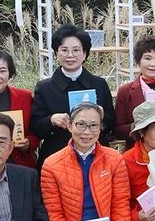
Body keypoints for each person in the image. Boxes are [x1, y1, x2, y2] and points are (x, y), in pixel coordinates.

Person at [31, 25, 116, 161]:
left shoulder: (99, 84)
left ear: (85, 53)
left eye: (76, 50)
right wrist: (51, 120)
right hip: (57, 154)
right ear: (56, 52)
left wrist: (102, 116)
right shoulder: (45, 88)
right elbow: (36, 126)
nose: (70, 55)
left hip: (95, 154)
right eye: (64, 50)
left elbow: (111, 122)